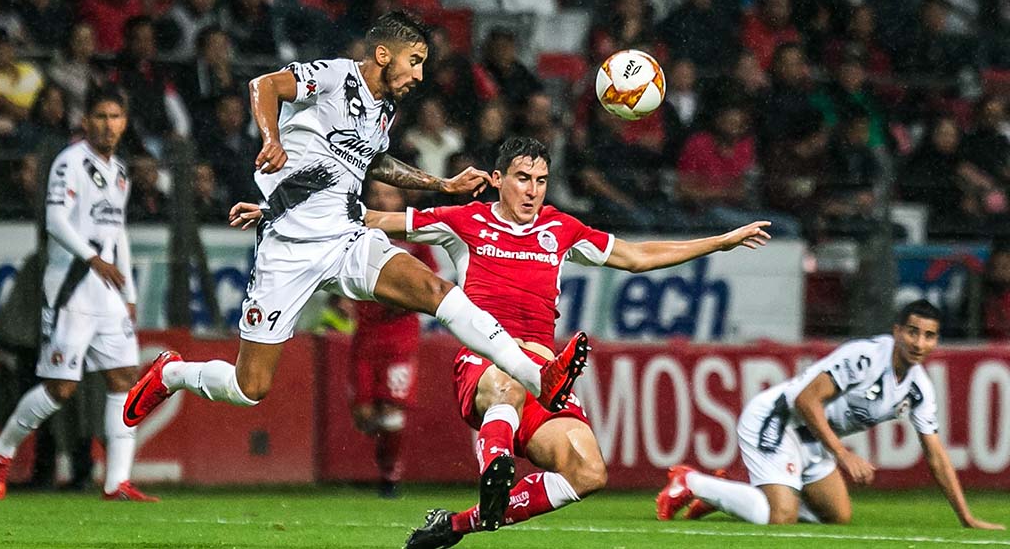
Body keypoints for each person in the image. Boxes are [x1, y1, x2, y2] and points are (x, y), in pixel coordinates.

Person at [229, 136, 772, 546]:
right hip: (484, 366)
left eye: (540, 180)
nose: (532, 190)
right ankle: (494, 462)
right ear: (497, 178)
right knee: (514, 371)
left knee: (588, 471)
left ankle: (461, 523)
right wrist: (277, 214)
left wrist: (721, 242)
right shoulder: (462, 221)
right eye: (521, 178)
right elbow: (371, 217)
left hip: (543, 374)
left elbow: (636, 255)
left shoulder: (562, 229)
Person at [123, 11, 589, 435]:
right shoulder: (335, 76)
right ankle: (171, 373)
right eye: (415, 60)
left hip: (347, 238)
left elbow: (376, 162)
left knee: (436, 292)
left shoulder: (383, 110)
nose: (420, 74)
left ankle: (537, 377)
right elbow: (264, 85)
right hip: (288, 247)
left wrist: (441, 185)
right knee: (250, 387)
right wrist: (272, 139)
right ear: (383, 55)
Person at [657, 300, 1004, 530]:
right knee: (781, 518)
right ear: (897, 331)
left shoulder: (918, 388)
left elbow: (936, 456)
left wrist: (966, 517)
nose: (919, 342)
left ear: (936, 341)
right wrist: (842, 453)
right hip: (779, 419)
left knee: (837, 518)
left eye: (929, 336)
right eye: (912, 332)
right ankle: (692, 482)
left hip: (812, 439)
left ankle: (734, 492)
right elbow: (807, 401)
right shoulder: (866, 358)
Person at [0, 85, 157, 502]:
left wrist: (128, 290)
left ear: (125, 123)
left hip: (108, 293)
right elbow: (55, 221)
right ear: (85, 121)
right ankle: (2, 449)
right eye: (100, 116)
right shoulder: (69, 162)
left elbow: (119, 234)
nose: (108, 125)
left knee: (123, 380)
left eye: (115, 117)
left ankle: (117, 481)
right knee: (61, 388)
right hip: (71, 290)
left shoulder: (119, 171)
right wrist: (93, 259)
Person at [348, 181, 437, 499]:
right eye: (377, 194)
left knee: (392, 409)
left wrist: (402, 299)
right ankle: (384, 451)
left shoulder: (414, 239)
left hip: (400, 337)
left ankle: (390, 476)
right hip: (366, 335)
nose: (383, 200)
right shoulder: (357, 234)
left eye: (390, 194)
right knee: (364, 415)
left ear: (402, 199)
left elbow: (430, 284)